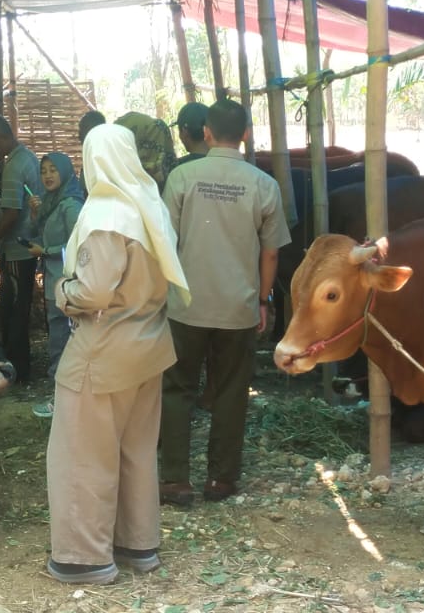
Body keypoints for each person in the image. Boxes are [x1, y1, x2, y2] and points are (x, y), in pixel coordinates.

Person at [46, 123, 191, 585]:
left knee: (82, 455)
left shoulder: (106, 212)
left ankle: (83, 557)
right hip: (148, 346)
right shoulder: (146, 204)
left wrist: (60, 290)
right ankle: (137, 543)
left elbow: (92, 292)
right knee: (136, 451)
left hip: (102, 351)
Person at [157, 98, 289, 506]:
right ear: (246, 134)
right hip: (238, 307)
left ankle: (175, 479)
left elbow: (165, 242)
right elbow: (270, 253)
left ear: (207, 133)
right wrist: (264, 301)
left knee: (177, 388)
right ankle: (221, 480)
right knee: (232, 391)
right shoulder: (263, 185)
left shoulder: (182, 178)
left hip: (186, 306)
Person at [0, 114, 44, 382]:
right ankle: (19, 364)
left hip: (18, 248)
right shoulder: (24, 157)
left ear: (4, 136)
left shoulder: (14, 165)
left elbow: (12, 213)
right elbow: (15, 192)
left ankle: (18, 369)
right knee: (17, 307)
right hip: (27, 244)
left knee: (13, 310)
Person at [27, 151, 86, 418]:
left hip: (67, 283)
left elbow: (80, 245)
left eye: (53, 170)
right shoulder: (52, 201)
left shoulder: (70, 204)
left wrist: (45, 250)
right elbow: (37, 232)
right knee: (59, 339)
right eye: (44, 171)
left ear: (64, 171)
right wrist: (34, 213)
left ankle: (62, 401)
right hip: (56, 282)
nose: (48, 175)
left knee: (62, 340)